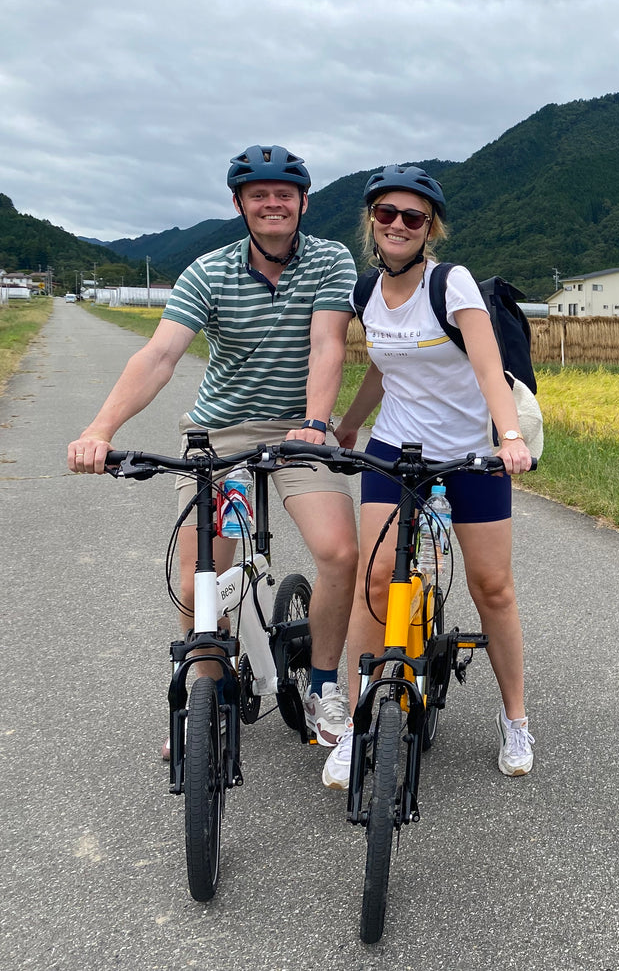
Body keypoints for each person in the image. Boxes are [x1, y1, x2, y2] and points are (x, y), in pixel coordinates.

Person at [68, 145, 360, 755]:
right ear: (239, 205)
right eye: (259, 194)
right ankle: (207, 697)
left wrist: (314, 421)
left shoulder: (330, 259)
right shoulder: (209, 271)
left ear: (303, 202)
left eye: (285, 193)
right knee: (199, 568)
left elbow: (328, 344)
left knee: (338, 552)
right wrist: (100, 430)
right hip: (220, 432)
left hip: (298, 426)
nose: (273, 203)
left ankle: (326, 685)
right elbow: (160, 355)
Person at [327, 164, 534, 787]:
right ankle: (361, 721)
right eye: (385, 214)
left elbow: (488, 366)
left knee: (491, 586)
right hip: (395, 450)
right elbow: (382, 368)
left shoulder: (452, 284)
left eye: (411, 217)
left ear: (429, 228)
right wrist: (348, 428)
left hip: (469, 452)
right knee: (378, 577)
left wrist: (510, 437)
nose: (396, 225)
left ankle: (515, 717)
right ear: (371, 221)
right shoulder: (366, 293)